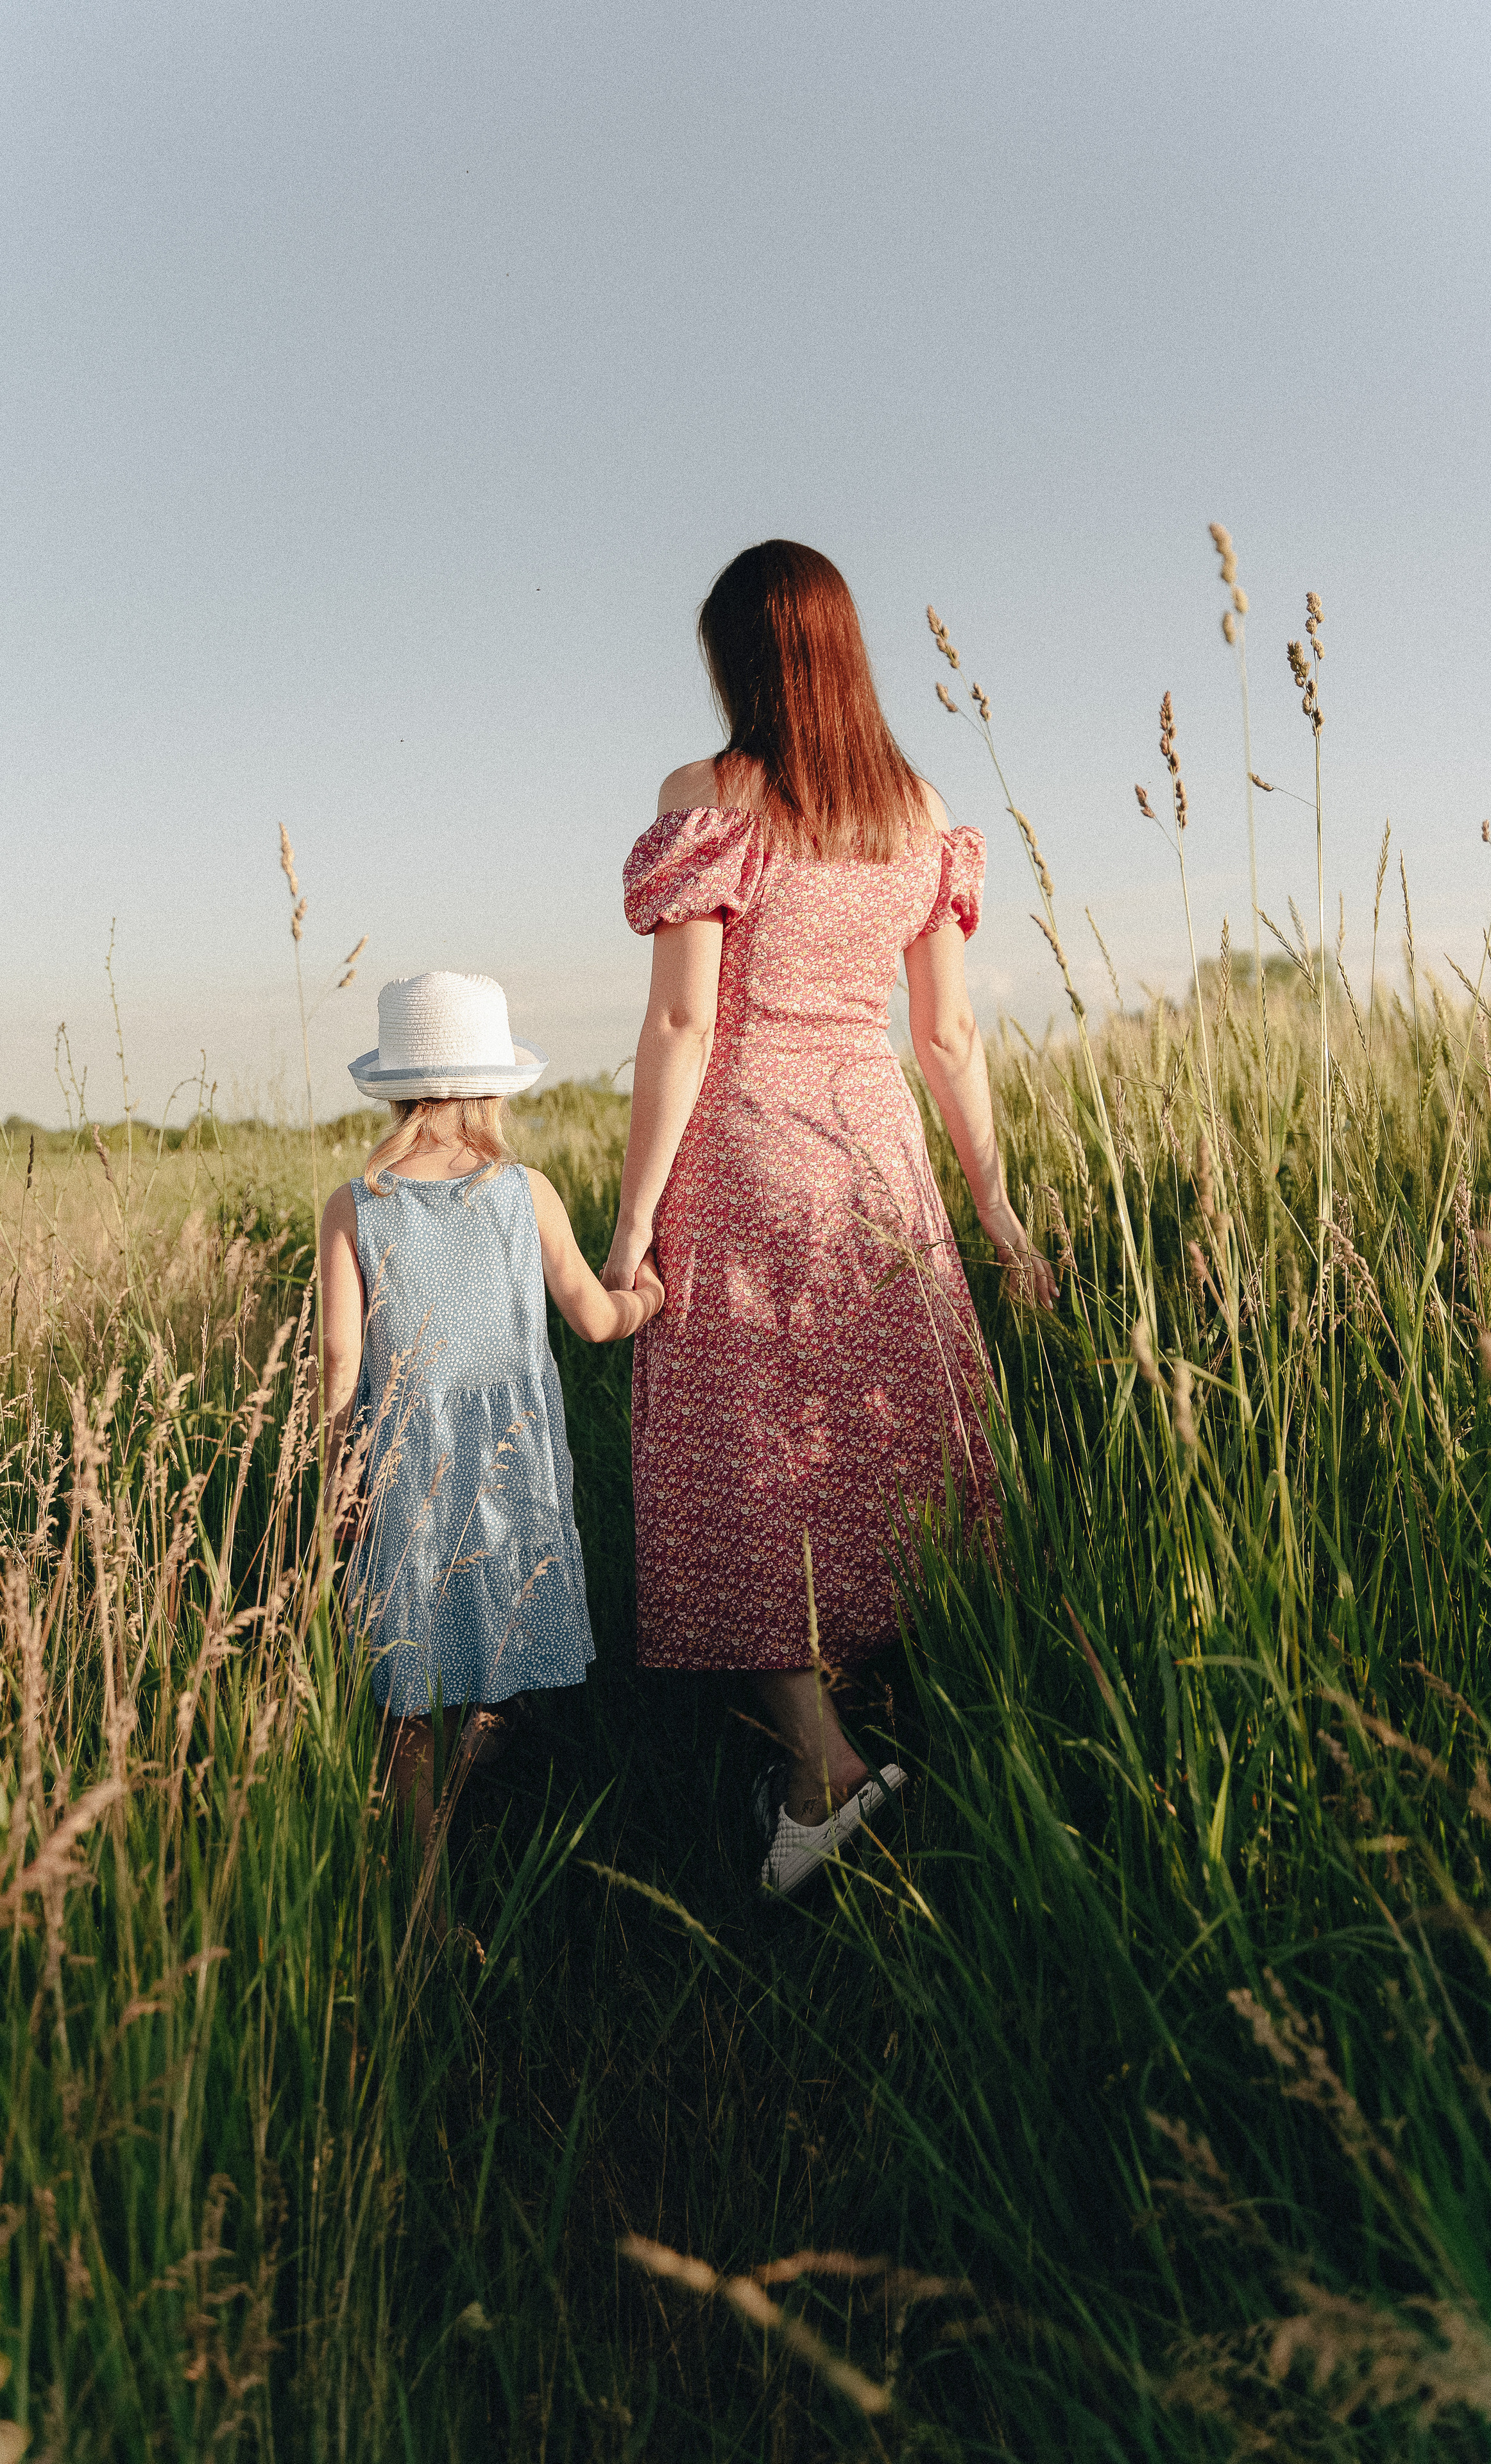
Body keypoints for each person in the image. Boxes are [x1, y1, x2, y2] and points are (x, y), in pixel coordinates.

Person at [601, 540, 1055, 1895]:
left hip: (743, 1149)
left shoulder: (712, 798)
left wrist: (628, 1227)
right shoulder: (918, 814)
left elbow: (683, 1019)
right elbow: (950, 1033)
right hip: (869, 1148)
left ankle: (822, 1769)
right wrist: (996, 1208)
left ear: (740, 657)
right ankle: (893, 1713)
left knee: (744, 1446)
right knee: (874, 1427)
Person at [318, 970, 663, 1838]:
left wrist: (338, 1472)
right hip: (510, 1459)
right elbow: (592, 1316)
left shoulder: (355, 1206)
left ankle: (424, 1890)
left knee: (408, 1679)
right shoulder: (524, 1190)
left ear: (397, 1094)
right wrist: (647, 1299)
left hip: (398, 1460)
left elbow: (338, 1356)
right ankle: (486, 1753)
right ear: (493, 1088)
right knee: (505, 1622)